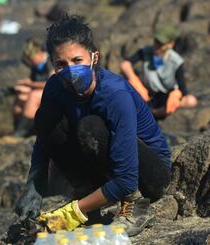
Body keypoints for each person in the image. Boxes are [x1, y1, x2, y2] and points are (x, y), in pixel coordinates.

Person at [15, 15, 172, 237]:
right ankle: (89, 196)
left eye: (77, 60)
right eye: (61, 64)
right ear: (53, 65)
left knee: (90, 127)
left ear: (93, 57)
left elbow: (126, 179)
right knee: (46, 118)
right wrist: (35, 184)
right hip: (103, 166)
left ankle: (133, 206)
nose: (70, 70)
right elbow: (45, 137)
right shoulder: (54, 88)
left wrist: (71, 213)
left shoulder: (114, 95)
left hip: (147, 175)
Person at [120, 23, 197, 119]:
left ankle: (155, 113)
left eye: (161, 43)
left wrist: (176, 97)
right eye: (156, 41)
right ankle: (146, 110)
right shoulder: (145, 51)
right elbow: (125, 65)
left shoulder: (176, 61)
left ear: (170, 44)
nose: (157, 45)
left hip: (166, 98)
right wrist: (137, 84)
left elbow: (183, 90)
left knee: (191, 100)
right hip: (146, 95)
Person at [13, 38, 54, 137]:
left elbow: (51, 83)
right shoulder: (35, 66)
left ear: (39, 53)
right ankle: (18, 129)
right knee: (21, 96)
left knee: (33, 96)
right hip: (41, 92)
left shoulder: (50, 61)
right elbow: (34, 82)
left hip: (54, 93)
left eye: (32, 59)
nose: (31, 62)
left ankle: (22, 132)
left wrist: (29, 84)